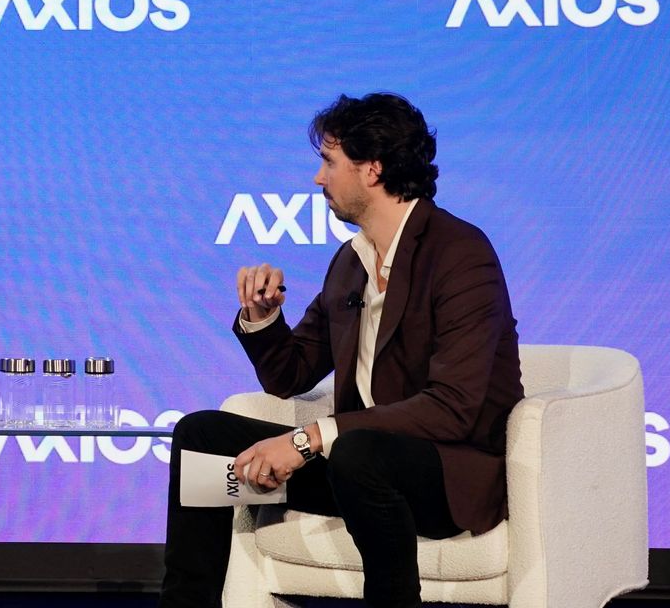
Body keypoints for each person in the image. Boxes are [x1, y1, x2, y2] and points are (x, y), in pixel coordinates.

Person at [161, 94, 523, 608]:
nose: (318, 179)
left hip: (445, 474)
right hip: (352, 467)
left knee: (358, 451)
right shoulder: (350, 262)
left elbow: (453, 408)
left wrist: (312, 438)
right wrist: (263, 318)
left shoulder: (460, 253)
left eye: (329, 162)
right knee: (204, 437)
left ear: (372, 169)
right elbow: (292, 373)